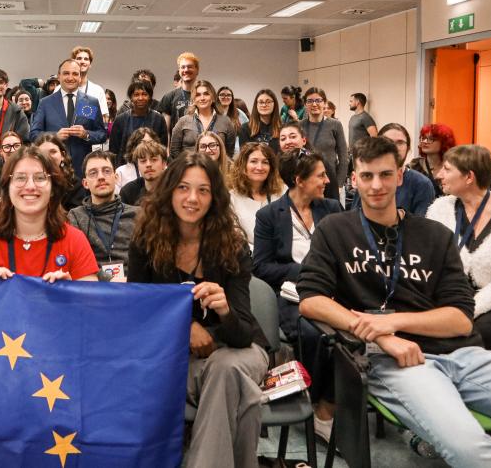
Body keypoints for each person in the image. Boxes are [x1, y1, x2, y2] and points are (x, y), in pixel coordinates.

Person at [298, 136, 491, 467]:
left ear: (401, 176)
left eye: (386, 175)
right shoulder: (335, 230)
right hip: (396, 365)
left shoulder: (435, 235)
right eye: (367, 176)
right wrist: (382, 337)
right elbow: (311, 300)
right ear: (354, 179)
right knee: (471, 449)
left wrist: (392, 322)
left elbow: (461, 318)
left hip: (463, 354)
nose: (376, 185)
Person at [128, 151, 269, 468]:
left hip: (240, 351)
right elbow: (138, 315)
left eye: (203, 190)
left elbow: (243, 335)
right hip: (181, 360)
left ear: (214, 197)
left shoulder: (231, 246)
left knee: (227, 367)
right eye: (183, 187)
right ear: (169, 191)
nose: (192, 198)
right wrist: (184, 326)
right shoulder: (145, 242)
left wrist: (225, 311)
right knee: (237, 389)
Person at [253, 150, 342, 438]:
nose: (327, 181)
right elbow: (262, 267)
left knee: (348, 338)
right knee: (313, 334)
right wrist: (306, 272)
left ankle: (330, 404)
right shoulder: (269, 215)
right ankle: (314, 403)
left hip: (332, 292)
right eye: (320, 176)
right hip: (292, 295)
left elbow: (345, 254)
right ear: (299, 180)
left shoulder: (332, 209)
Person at [0, 146, 99, 281]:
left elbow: (91, 305)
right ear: (7, 187)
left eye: (40, 178)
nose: (30, 186)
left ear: (53, 188)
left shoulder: (75, 241)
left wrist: (70, 295)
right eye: (20, 178)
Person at [427, 145, 491, 349]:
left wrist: (471, 308)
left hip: (489, 303)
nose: (439, 175)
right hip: (446, 298)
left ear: (469, 177)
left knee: (478, 333)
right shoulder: (440, 209)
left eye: (447, 169)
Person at [68, 150, 139, 281]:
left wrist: (130, 281)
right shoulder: (75, 217)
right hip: (93, 287)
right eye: (93, 173)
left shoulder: (138, 214)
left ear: (116, 177)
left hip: (133, 287)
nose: (101, 177)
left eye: (106, 171)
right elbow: (77, 261)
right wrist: (110, 282)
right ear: (85, 183)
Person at [29, 59, 107, 177]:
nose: (70, 78)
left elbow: (102, 134)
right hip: (52, 170)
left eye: (75, 74)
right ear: (59, 76)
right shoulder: (45, 103)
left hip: (82, 171)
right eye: (66, 73)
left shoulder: (90, 102)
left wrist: (86, 134)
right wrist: (54, 136)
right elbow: (34, 134)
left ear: (80, 78)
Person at [355, 124, 435, 216]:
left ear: (408, 148)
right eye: (387, 141)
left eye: (400, 142)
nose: (394, 147)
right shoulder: (365, 179)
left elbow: (421, 226)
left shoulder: (422, 184)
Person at [229, 143, 285, 247]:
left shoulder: (283, 193)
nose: (259, 167)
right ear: (243, 165)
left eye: (265, 162)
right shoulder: (231, 198)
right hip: (249, 258)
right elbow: (236, 238)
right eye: (253, 161)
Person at [300, 87, 347, 202]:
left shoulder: (335, 125)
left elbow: (343, 156)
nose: (314, 104)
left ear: (325, 103)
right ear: (305, 104)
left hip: (330, 181)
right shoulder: (299, 126)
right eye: (310, 101)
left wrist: (339, 184)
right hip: (306, 181)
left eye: (318, 100)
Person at [170, 80, 234, 159]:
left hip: (216, 169)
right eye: (198, 95)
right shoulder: (183, 121)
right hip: (190, 168)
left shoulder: (226, 122)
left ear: (213, 97)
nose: (202, 98)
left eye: (206, 94)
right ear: (194, 99)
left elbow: (229, 153)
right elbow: (174, 150)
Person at [109, 80, 168, 161]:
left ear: (150, 97)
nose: (140, 98)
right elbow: (113, 150)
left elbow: (162, 147)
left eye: (144, 94)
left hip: (151, 165)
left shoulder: (159, 119)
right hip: (126, 166)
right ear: (131, 98)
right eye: (136, 95)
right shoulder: (120, 120)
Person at [34, 133, 88, 210]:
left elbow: (75, 217)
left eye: (53, 151)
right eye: (42, 153)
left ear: (62, 155)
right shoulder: (31, 183)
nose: (48, 157)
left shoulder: (74, 184)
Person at [54, 45, 109, 118]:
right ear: (73, 62)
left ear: (90, 64)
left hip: (87, 129)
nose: (82, 61)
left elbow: (103, 118)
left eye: (86, 59)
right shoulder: (59, 89)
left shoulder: (98, 91)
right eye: (79, 58)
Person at [409, 123, 456, 198]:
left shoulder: (454, 166)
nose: (424, 141)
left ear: (444, 142)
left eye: (431, 139)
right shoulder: (414, 166)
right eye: (423, 138)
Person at [120, 139, 168, 206]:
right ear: (138, 166)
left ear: (164, 164)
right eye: (143, 161)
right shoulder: (128, 192)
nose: (148, 164)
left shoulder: (173, 189)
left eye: (154, 160)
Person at [159, 52, 199, 132]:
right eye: (183, 67)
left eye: (190, 67)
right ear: (179, 70)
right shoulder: (169, 97)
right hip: (177, 143)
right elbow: (166, 131)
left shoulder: (204, 95)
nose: (186, 70)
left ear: (197, 69)